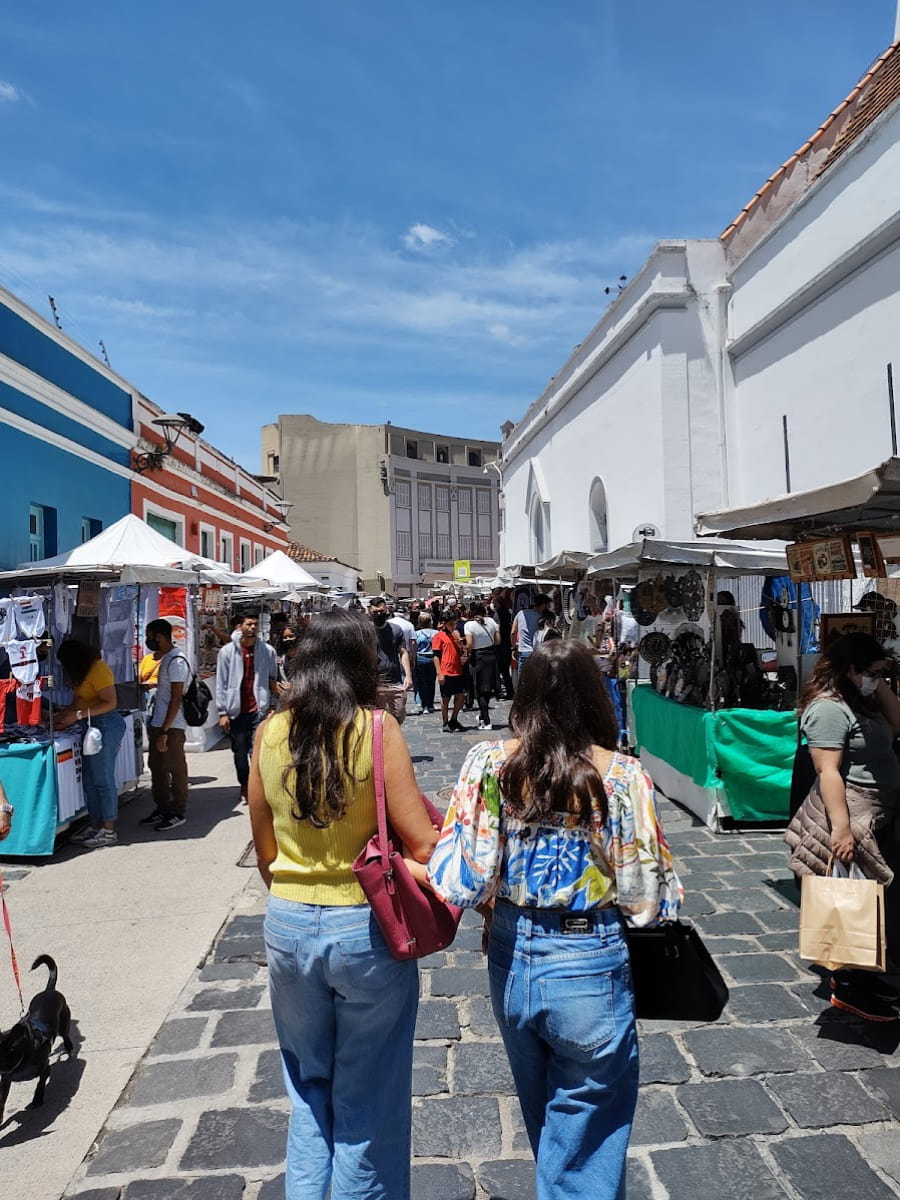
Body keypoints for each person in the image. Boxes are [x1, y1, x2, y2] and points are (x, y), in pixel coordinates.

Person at [426, 639, 682, 1200]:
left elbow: (459, 880)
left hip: (513, 958)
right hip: (590, 959)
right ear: (595, 697)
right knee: (586, 1137)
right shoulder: (623, 777)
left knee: (551, 1130)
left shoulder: (489, 764)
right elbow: (648, 901)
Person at [248, 610, 438, 1200]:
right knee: (369, 1095)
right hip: (364, 927)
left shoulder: (270, 732)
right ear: (361, 662)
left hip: (288, 922)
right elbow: (424, 844)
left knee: (308, 1088)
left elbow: (264, 848)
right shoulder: (377, 730)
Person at [786, 632, 900, 1021]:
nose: (877, 679)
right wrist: (841, 829)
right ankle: (850, 983)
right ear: (850, 670)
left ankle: (869, 977)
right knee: (855, 900)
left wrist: (877, 680)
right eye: (870, 672)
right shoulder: (830, 710)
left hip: (878, 810)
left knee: (874, 900)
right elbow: (828, 771)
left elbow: (898, 721)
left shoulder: (862, 701)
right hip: (852, 813)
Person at [56, 640, 126, 850]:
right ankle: (96, 824)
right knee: (89, 779)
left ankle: (108, 828)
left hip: (105, 725)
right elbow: (80, 702)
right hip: (90, 726)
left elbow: (110, 702)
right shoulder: (82, 673)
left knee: (103, 778)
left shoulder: (98, 669)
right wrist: (63, 713)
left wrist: (77, 714)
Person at [216, 613, 278, 803]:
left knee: (258, 753)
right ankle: (244, 784)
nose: (252, 628)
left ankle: (257, 789)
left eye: (255, 624)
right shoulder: (227, 652)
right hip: (236, 711)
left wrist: (273, 706)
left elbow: (273, 679)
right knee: (240, 754)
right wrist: (222, 712)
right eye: (248, 624)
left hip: (259, 710)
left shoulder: (267, 651)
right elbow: (221, 683)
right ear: (239, 626)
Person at [142, 619, 190, 832]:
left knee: (175, 768)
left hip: (171, 726)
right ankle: (163, 807)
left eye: (150, 635)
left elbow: (176, 698)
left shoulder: (176, 661)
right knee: (157, 766)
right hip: (158, 722)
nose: (148, 640)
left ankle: (177, 811)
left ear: (159, 636)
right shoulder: (166, 659)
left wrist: (164, 730)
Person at [369, 598, 413, 724]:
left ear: (387, 610)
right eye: (375, 611)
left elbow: (403, 652)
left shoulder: (396, 630)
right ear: (370, 611)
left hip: (395, 680)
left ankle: (393, 738)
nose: (378, 614)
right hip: (376, 682)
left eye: (381, 611)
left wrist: (408, 675)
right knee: (377, 719)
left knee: (398, 714)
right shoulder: (367, 631)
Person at [465, 603, 500, 730]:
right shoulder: (491, 622)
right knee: (488, 688)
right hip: (491, 656)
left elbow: (469, 645)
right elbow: (498, 641)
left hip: (478, 657)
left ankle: (486, 720)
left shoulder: (469, 625)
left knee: (479, 690)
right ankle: (482, 716)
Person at [433, 610, 466, 732]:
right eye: (451, 624)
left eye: (455, 623)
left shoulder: (455, 635)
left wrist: (460, 645)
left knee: (461, 695)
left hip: (458, 669)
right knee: (445, 698)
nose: (453, 626)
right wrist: (439, 672)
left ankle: (454, 719)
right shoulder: (438, 636)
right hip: (446, 670)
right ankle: (445, 721)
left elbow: (461, 653)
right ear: (444, 623)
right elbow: (436, 655)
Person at [511, 593, 551, 678]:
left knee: (523, 682)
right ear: (543, 605)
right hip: (538, 653)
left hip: (523, 653)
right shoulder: (542, 618)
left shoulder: (521, 613)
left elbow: (513, 632)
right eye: (548, 606)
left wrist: (514, 648)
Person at [413, 613, 437, 714]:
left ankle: (425, 705)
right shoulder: (436, 633)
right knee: (432, 683)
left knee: (422, 683)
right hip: (433, 659)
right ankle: (430, 704)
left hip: (421, 659)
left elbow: (414, 647)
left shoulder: (416, 633)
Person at [275, 624, 301, 698]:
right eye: (285, 637)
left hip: (300, 697)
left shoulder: (305, 656)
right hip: (283, 697)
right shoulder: (279, 656)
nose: (288, 639)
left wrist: (294, 686)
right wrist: (275, 684)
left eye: (291, 636)